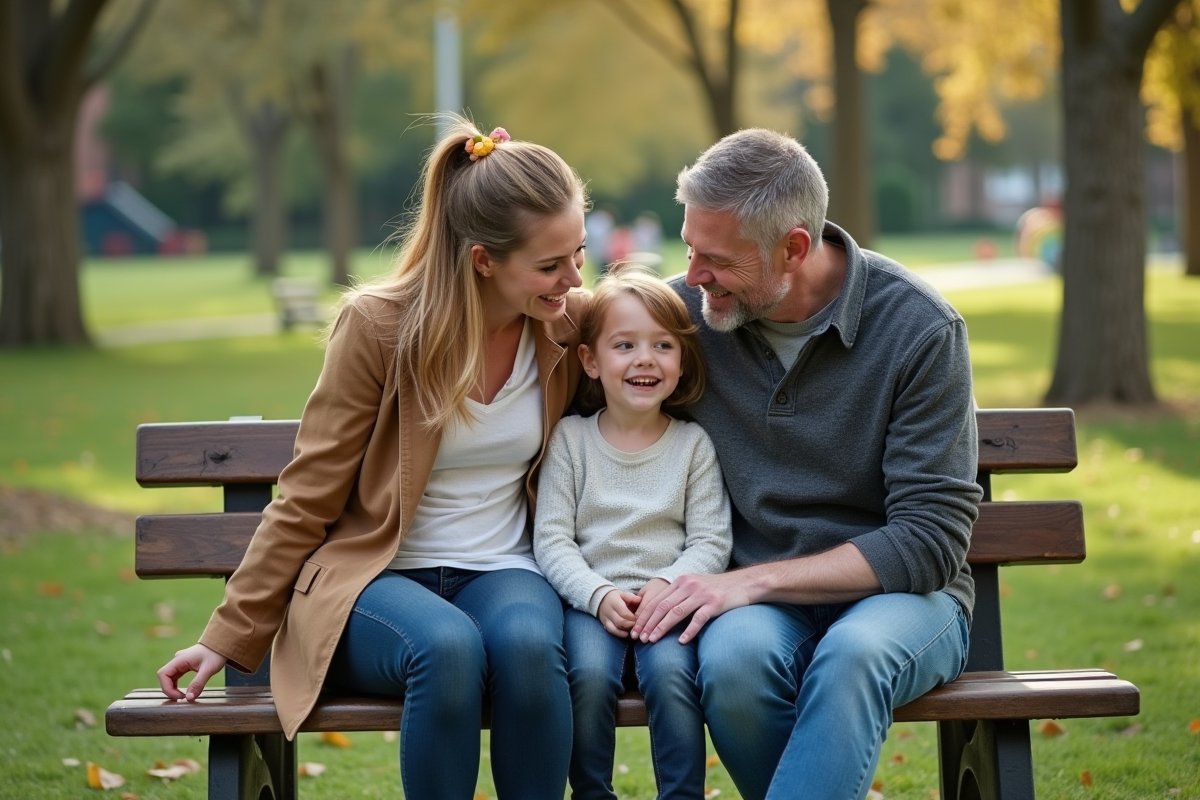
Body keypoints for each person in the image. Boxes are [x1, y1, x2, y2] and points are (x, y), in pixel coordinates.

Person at [156, 117, 591, 800]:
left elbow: (665, 323)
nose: (573, 277)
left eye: (579, 253)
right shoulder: (378, 328)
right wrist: (226, 637)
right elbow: (306, 497)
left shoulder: (564, 322)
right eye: (550, 264)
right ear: (483, 260)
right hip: (373, 582)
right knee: (446, 649)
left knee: (533, 650)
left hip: (504, 570)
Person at [630, 129, 983, 800]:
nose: (694, 275)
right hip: (756, 608)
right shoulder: (681, 320)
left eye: (716, 258)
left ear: (793, 247)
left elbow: (931, 541)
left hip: (904, 601)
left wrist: (754, 583)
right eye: (689, 248)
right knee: (731, 662)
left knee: (852, 656)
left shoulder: (920, 329)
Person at [533, 264, 731, 800]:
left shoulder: (692, 446)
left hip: (666, 605)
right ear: (591, 361)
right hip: (591, 603)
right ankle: (592, 792)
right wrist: (596, 595)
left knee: (672, 678)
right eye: (625, 345)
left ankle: (683, 794)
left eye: (663, 345)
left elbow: (711, 541)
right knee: (588, 677)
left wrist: (669, 585)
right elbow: (552, 539)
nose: (645, 359)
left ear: (681, 361)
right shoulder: (571, 442)